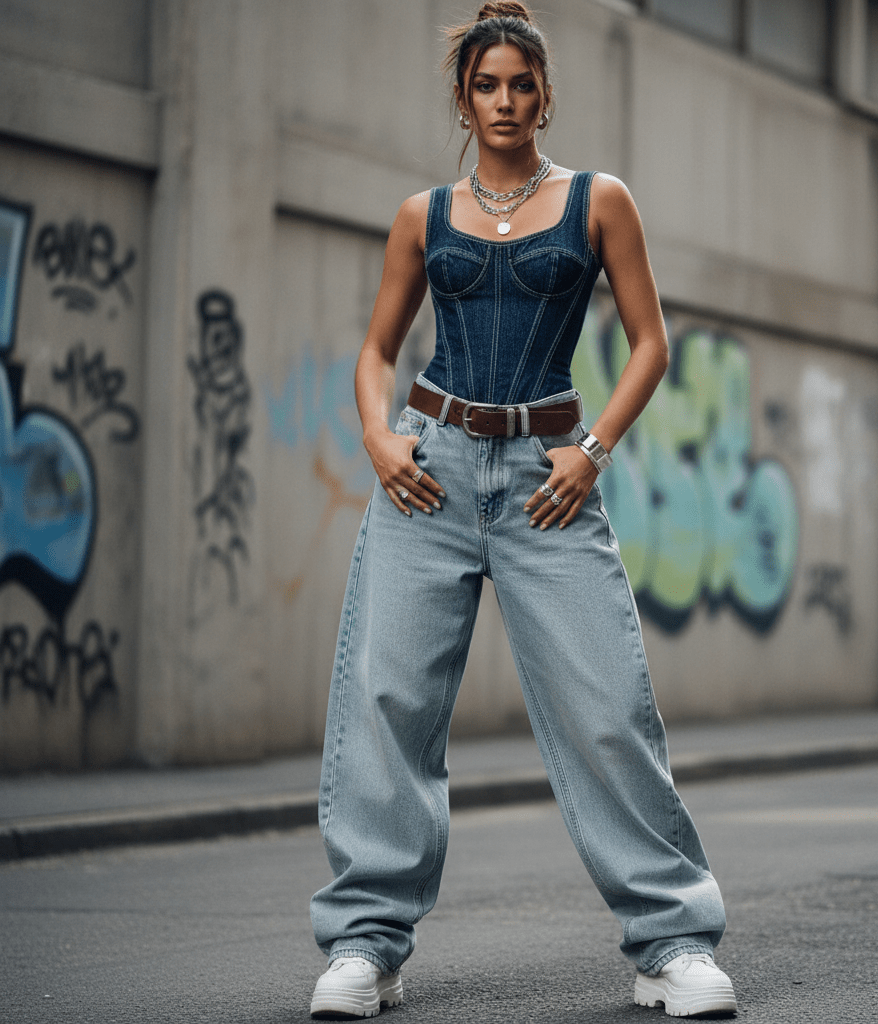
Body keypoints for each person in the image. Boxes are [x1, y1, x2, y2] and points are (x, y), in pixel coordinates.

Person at [309, 3, 737, 1018]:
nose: (505, 100)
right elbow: (377, 350)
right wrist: (378, 437)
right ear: (464, 98)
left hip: (550, 481)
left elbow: (650, 344)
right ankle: (365, 944)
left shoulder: (599, 201)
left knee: (605, 705)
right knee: (388, 706)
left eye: (522, 84)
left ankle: (671, 942)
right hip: (433, 471)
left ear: (545, 92)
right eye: (486, 85)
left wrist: (591, 451)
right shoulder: (423, 215)